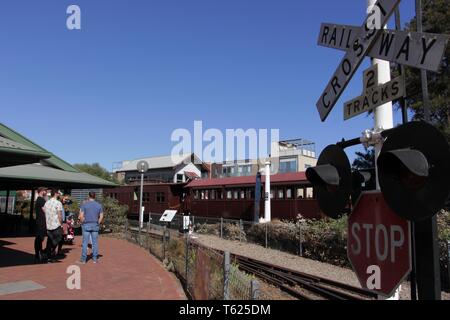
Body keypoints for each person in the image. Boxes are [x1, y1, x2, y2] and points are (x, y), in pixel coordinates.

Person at [78, 192, 104, 264]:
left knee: (85, 243)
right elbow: (101, 216)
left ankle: (83, 259)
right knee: (95, 243)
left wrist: (83, 222)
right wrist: (98, 222)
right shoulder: (99, 205)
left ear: (88, 196)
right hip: (95, 224)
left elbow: (81, 215)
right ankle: (95, 259)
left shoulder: (85, 205)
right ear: (95, 196)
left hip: (86, 224)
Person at [43, 189, 63, 263]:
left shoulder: (46, 203)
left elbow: (44, 211)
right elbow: (59, 215)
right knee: (58, 238)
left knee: (49, 240)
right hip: (56, 224)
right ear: (56, 194)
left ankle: (48, 256)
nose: (59, 194)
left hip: (48, 224)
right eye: (58, 193)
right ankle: (49, 253)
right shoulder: (58, 203)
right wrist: (61, 223)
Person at [34, 187, 48, 263]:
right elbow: (45, 210)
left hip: (39, 221)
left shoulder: (38, 200)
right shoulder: (41, 200)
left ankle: (38, 253)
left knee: (39, 238)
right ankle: (39, 253)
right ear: (42, 191)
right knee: (40, 238)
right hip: (42, 222)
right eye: (45, 191)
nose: (46, 192)